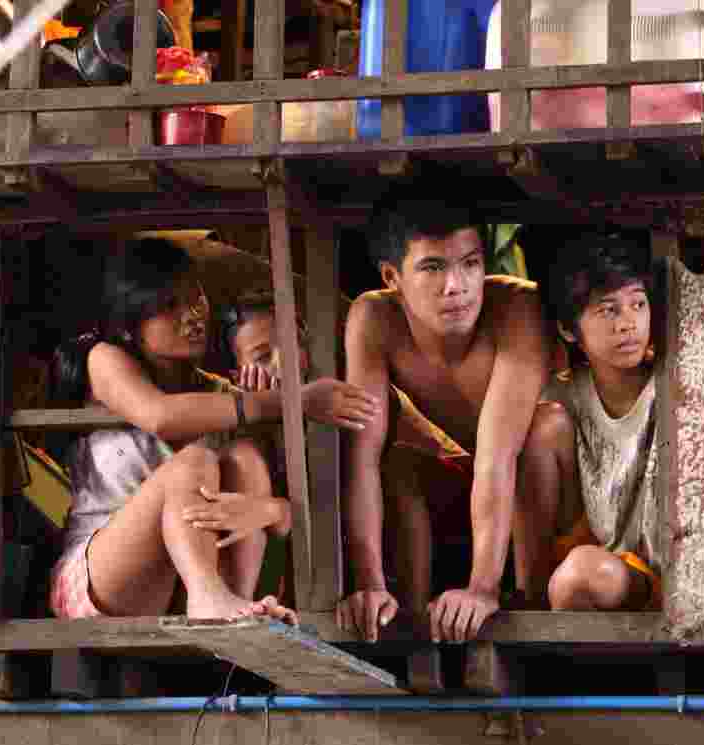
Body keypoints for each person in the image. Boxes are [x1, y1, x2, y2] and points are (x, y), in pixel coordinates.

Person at [47, 238, 380, 622]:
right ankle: (209, 596)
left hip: (178, 589)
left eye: (196, 299)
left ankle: (233, 604)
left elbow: (288, 516)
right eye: (169, 307)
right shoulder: (103, 359)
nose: (192, 316)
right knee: (195, 462)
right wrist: (292, 400)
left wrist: (266, 505)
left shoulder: (221, 395)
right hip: (101, 580)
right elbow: (160, 416)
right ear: (128, 327)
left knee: (244, 457)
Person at [336, 194, 559, 643]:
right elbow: (362, 456)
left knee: (543, 427)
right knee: (397, 461)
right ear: (392, 277)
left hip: (545, 490)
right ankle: (410, 624)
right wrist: (368, 582)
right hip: (468, 491)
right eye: (432, 268)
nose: (455, 285)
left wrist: (481, 587)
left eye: (471, 264)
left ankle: (529, 602)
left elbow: (498, 456)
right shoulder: (375, 318)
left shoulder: (516, 308)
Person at [531, 232, 665, 612]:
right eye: (608, 310)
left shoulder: (671, 382)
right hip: (599, 562)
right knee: (541, 427)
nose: (628, 324)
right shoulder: (563, 396)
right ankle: (530, 592)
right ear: (568, 329)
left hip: (663, 575)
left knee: (583, 575)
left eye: (638, 304)